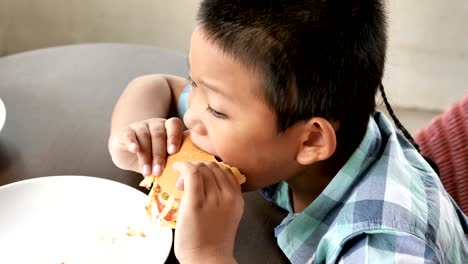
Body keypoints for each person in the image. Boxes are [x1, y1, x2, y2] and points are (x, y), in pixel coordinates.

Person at [108, 0, 468, 263]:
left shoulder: (384, 248)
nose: (192, 118)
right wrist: (131, 139)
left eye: (216, 109)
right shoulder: (303, 121)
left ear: (311, 140)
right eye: (194, 82)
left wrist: (206, 253)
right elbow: (156, 86)